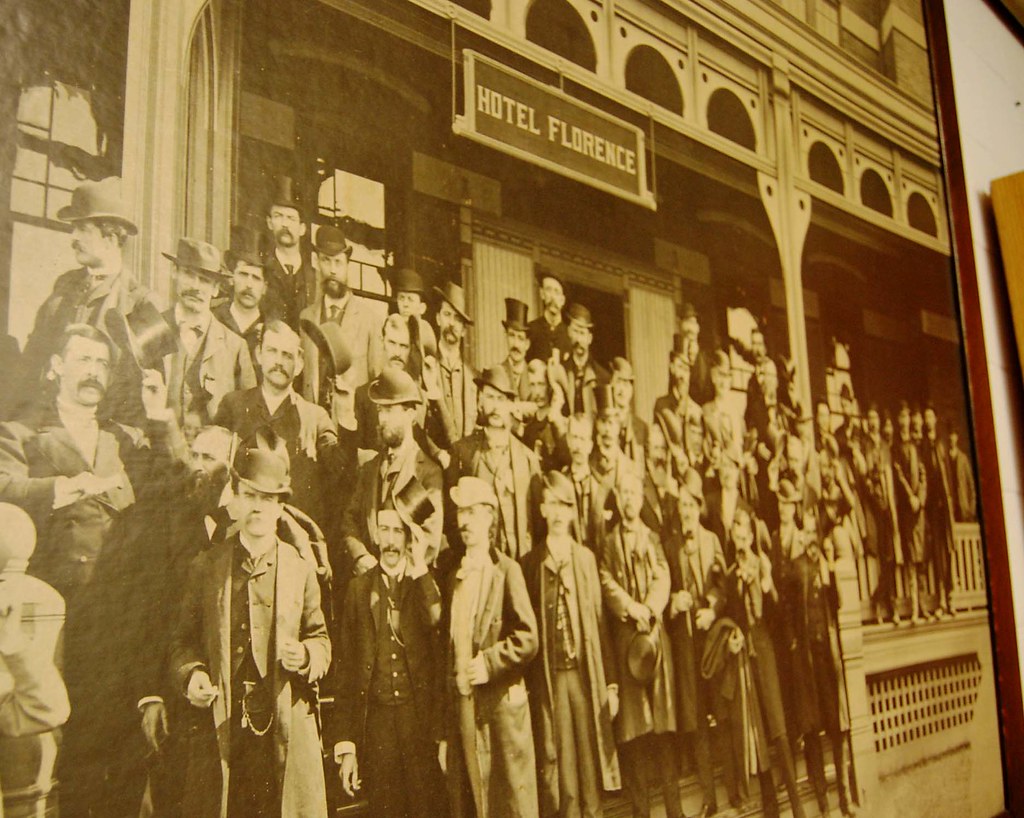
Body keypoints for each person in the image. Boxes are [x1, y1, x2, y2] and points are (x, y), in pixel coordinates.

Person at [0, 324, 184, 818]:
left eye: (102, 365)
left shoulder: (124, 440)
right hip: (62, 629)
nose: (94, 373)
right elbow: (2, 486)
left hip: (119, 631)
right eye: (83, 361)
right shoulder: (23, 433)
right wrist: (62, 489)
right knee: (63, 767)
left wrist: (160, 417)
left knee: (123, 761)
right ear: (56, 366)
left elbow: (179, 486)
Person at [170, 444, 331, 818]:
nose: (258, 508)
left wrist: (307, 656)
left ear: (280, 507)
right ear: (236, 500)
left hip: (286, 723)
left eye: (268, 499)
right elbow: (181, 642)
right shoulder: (207, 568)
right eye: (250, 496)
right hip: (225, 728)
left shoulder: (299, 567)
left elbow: (321, 639)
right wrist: (191, 674)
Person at [332, 508, 445, 818]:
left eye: (398, 531)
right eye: (385, 530)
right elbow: (345, 671)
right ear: (375, 535)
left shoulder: (422, 583)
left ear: (408, 538)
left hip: (418, 723)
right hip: (378, 726)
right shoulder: (358, 590)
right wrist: (347, 744)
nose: (391, 540)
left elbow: (438, 629)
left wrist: (421, 567)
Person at [522, 471, 621, 818]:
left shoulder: (586, 559)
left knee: (589, 750)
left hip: (585, 673)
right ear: (543, 509)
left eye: (566, 504)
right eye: (553, 504)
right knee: (560, 757)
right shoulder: (531, 564)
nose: (560, 512)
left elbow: (599, 624)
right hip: (553, 679)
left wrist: (610, 682)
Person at [438, 476, 539, 818]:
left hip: (500, 712)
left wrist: (490, 662)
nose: (463, 521)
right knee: (474, 803)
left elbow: (529, 637)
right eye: (459, 512)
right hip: (465, 711)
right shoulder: (454, 577)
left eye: (470, 512)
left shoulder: (507, 571)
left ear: (488, 517)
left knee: (508, 805)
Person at [215, 319, 357, 557]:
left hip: (294, 547)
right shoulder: (233, 406)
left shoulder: (315, 417)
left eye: (287, 355)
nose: (279, 362)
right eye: (272, 351)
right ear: (259, 354)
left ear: (300, 363)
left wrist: (345, 416)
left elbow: (343, 474)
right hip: (239, 540)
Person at [19, 177, 156, 423]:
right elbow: (34, 357)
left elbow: (148, 386)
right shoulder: (63, 286)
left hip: (106, 432)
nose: (74, 237)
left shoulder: (142, 301)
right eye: (74, 228)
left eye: (83, 229)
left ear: (111, 238)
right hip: (50, 425)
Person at [599, 467, 681, 818]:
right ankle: (641, 812)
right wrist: (629, 607)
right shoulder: (607, 542)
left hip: (654, 642)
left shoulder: (652, 538)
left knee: (662, 732)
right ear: (617, 500)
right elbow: (605, 580)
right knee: (634, 736)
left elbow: (663, 574)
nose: (630, 501)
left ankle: (675, 811)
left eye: (635, 494)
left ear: (640, 498)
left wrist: (649, 607)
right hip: (625, 643)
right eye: (624, 495)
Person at [717, 507, 805, 818]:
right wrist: (732, 636)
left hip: (766, 650)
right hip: (744, 656)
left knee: (778, 728)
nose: (740, 541)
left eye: (744, 535)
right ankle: (771, 808)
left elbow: (779, 616)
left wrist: (767, 588)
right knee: (757, 729)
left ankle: (797, 807)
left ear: (752, 537)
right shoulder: (729, 575)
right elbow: (728, 614)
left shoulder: (763, 564)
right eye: (735, 535)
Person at [662, 468, 733, 818]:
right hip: (686, 648)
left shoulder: (712, 541)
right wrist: (674, 603)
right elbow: (665, 593)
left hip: (713, 645)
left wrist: (712, 608)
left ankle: (734, 788)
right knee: (698, 724)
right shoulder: (670, 546)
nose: (687, 512)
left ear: (699, 508)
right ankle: (709, 798)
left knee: (722, 712)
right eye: (682, 507)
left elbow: (723, 587)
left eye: (692, 506)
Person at [779, 513, 854, 818]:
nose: (810, 537)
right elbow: (784, 613)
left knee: (836, 727)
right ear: (800, 536)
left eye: (814, 531)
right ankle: (823, 803)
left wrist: (830, 574)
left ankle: (845, 798)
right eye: (806, 532)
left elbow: (836, 605)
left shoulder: (824, 565)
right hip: (806, 663)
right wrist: (794, 643)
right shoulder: (793, 568)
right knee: (811, 730)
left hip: (826, 658)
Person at [340, 367, 443, 580]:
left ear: (410, 414)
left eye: (390, 410)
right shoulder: (369, 468)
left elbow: (429, 539)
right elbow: (350, 519)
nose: (383, 418)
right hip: (367, 583)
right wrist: (360, 556)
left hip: (407, 589)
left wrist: (389, 572)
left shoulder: (426, 473)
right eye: (380, 410)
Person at [446, 366, 541, 561]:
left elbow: (539, 524)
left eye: (501, 399)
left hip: (521, 564)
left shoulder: (528, 459)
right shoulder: (463, 453)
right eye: (490, 397)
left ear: (511, 405)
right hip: (479, 565)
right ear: (480, 400)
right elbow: (451, 517)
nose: (496, 407)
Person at [161, 237, 257, 424]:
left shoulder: (235, 347)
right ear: (175, 273)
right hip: (157, 450)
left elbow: (248, 419)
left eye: (204, 280)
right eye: (188, 274)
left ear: (215, 289)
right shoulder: (153, 328)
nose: (195, 287)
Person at [299, 224, 378, 394]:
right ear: (317, 262)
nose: (333, 270)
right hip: (314, 416)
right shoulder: (306, 317)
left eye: (338, 262)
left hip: (352, 416)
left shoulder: (368, 319)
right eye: (326, 261)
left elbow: (376, 378)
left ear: (347, 265)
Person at [262, 176, 315, 329]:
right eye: (278, 216)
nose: (285, 224)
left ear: (302, 228)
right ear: (269, 223)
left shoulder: (315, 278)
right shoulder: (261, 271)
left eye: (291, 218)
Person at [892, 401, 927, 623]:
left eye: (907, 417)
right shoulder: (896, 448)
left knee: (922, 560)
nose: (905, 421)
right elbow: (899, 477)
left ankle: (923, 606)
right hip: (907, 511)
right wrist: (911, 498)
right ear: (898, 421)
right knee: (912, 562)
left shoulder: (916, 446)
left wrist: (920, 498)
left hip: (919, 512)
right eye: (901, 417)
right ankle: (913, 608)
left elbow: (923, 475)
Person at [213, 224, 268, 368]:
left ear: (264, 288)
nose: (249, 284)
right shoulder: (213, 319)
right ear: (232, 278)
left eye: (256, 278)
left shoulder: (270, 329)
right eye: (243, 274)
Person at [432, 281, 478, 447]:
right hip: (434, 463)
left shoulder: (474, 376)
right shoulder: (426, 367)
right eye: (447, 314)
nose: (451, 323)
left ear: (464, 330)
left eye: (458, 319)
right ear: (438, 319)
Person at [921, 404, 956, 618]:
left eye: (930, 416)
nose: (927, 420)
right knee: (937, 556)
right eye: (925, 417)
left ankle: (951, 598)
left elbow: (949, 477)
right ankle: (941, 599)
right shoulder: (924, 446)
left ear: (935, 419)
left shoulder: (942, 444)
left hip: (945, 508)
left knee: (949, 552)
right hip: (932, 508)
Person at [653, 335, 705, 477]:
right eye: (680, 367)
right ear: (672, 368)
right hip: (670, 476)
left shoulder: (696, 410)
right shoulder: (662, 406)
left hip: (694, 477)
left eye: (687, 370)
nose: (683, 375)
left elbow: (700, 450)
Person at [562, 413, 611, 553]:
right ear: (567, 440)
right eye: (574, 438)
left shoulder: (603, 487)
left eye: (583, 439)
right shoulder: (561, 485)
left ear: (590, 445)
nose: (578, 446)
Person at [561, 304, 609, 417]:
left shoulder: (602, 376)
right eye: (576, 331)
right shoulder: (561, 371)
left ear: (590, 338)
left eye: (582, 333)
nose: (579, 339)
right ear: (569, 332)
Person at [527, 266, 571, 363]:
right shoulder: (530, 330)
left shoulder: (569, 334)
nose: (553, 297)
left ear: (563, 300)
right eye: (548, 290)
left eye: (556, 291)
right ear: (542, 294)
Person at [609, 357, 647, 468]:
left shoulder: (642, 428)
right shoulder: (603, 423)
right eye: (618, 383)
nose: (622, 390)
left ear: (631, 389)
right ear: (611, 386)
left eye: (626, 384)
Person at [947, 425, 977, 522]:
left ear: (957, 437)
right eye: (950, 435)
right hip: (951, 502)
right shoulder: (945, 457)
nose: (952, 438)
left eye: (954, 435)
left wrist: (971, 508)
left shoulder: (963, 459)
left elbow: (971, 484)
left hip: (962, 504)